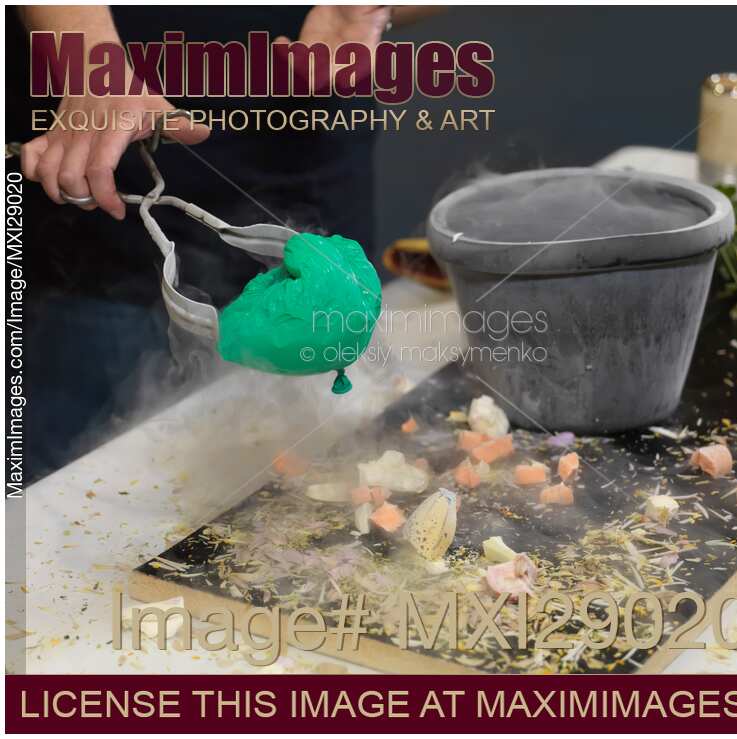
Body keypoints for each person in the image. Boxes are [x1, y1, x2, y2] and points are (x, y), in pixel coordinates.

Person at [9, 5, 433, 481]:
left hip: (314, 175)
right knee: (61, 484)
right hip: (103, 205)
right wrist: (92, 65)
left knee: (332, 453)